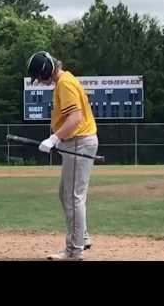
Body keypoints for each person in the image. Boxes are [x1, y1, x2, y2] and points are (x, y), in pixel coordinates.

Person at [27, 51, 98, 261]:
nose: (39, 82)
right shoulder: (65, 81)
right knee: (65, 193)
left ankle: (74, 251)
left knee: (74, 197)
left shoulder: (65, 84)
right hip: (78, 142)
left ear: (47, 71)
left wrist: (54, 139)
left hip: (79, 142)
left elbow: (75, 118)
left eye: (39, 77)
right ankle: (81, 237)